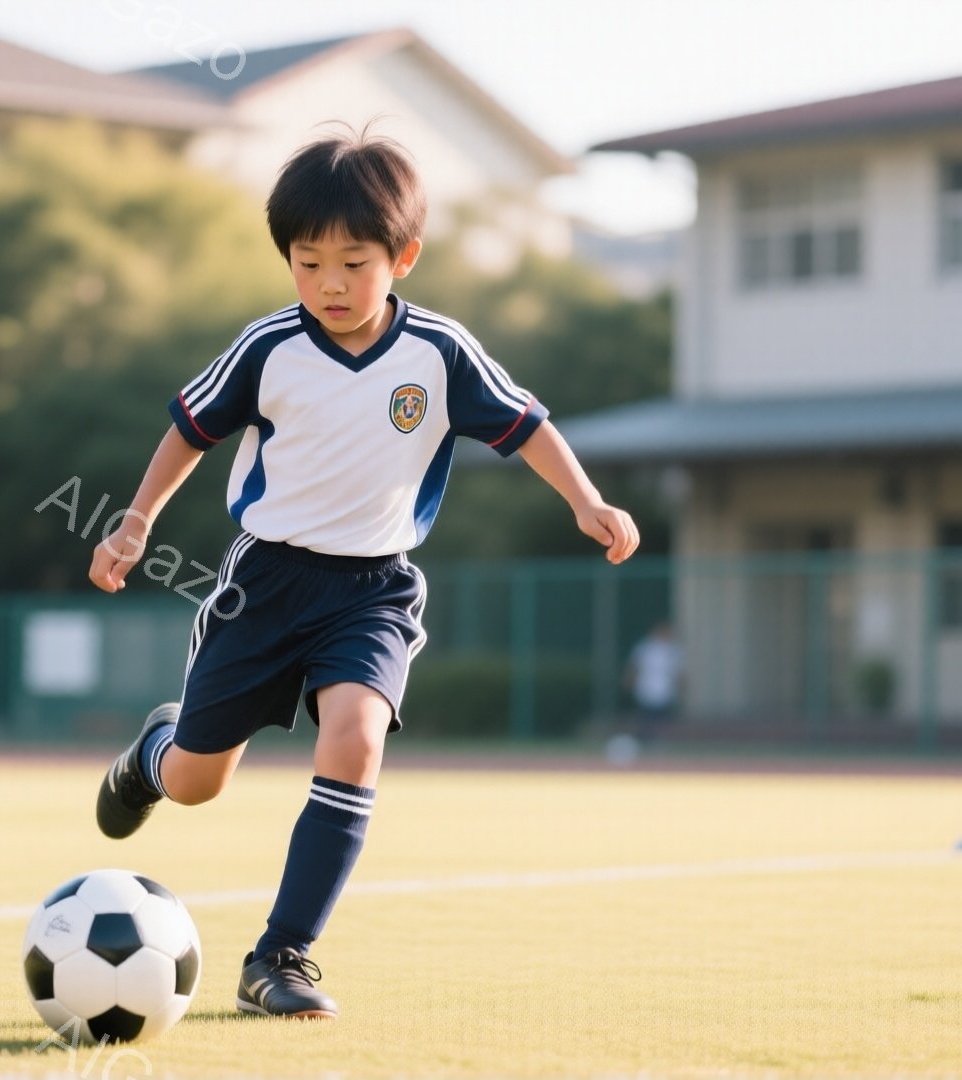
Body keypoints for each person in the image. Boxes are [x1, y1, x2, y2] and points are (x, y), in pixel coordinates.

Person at [84, 128, 640, 1021]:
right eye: (308, 264)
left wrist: (586, 500)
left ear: (403, 257)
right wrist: (135, 521)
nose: (330, 284)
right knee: (198, 781)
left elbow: (527, 424)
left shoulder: (441, 352)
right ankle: (154, 754)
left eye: (353, 261)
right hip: (261, 586)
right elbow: (191, 427)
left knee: (355, 737)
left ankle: (282, 957)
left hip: (374, 591)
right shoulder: (269, 347)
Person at [624, 621, 684, 744]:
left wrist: (681, 686)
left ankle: (660, 741)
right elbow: (635, 667)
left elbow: (678, 672)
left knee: (663, 720)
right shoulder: (645, 648)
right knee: (645, 719)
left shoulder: (673, 650)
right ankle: (645, 741)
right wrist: (630, 680)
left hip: (665, 691)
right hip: (646, 689)